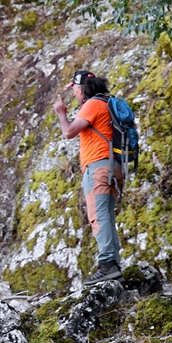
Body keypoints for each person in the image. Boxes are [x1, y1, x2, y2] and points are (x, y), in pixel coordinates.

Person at [53, 69, 125, 285]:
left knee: (98, 216)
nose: (74, 93)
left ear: (81, 88)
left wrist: (61, 113)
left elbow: (68, 132)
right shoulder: (107, 103)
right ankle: (112, 264)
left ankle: (107, 265)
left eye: (74, 89)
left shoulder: (93, 105)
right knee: (107, 216)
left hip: (98, 167)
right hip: (114, 166)